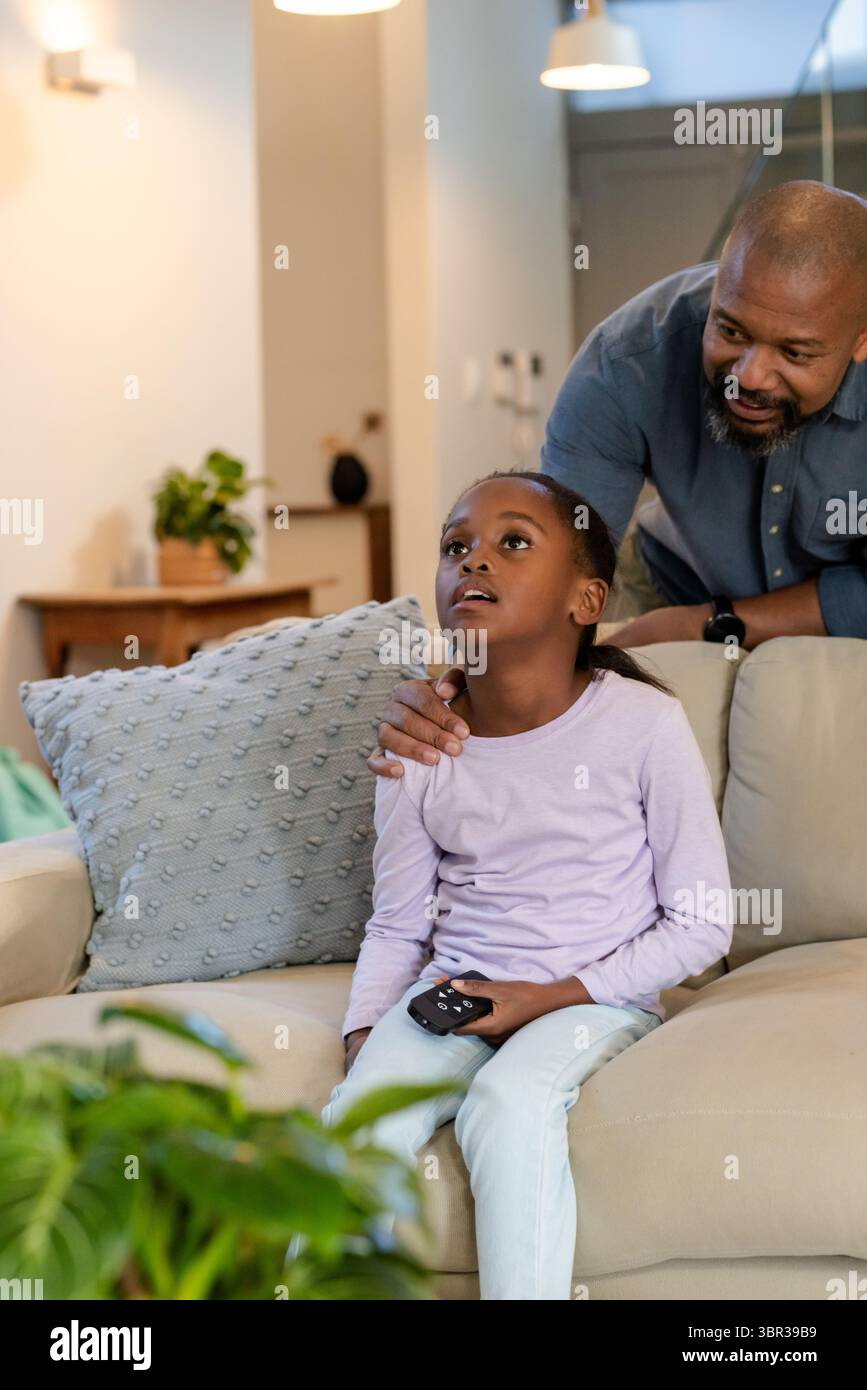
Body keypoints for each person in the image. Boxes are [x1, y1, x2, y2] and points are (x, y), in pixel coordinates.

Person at [322, 470, 732, 1300]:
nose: (473, 561)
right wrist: (367, 1038)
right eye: (454, 546)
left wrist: (542, 998)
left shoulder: (641, 726)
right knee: (354, 1125)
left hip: (593, 1000)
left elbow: (701, 926)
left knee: (506, 1107)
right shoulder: (418, 745)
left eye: (512, 543)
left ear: (585, 601)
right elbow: (397, 925)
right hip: (455, 992)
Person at [541, 179, 867, 651]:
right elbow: (554, 568)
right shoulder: (624, 362)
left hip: (837, 623)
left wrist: (713, 623)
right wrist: (477, 686)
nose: (750, 377)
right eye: (731, 330)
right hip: (665, 593)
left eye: (794, 353)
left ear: (860, 340)